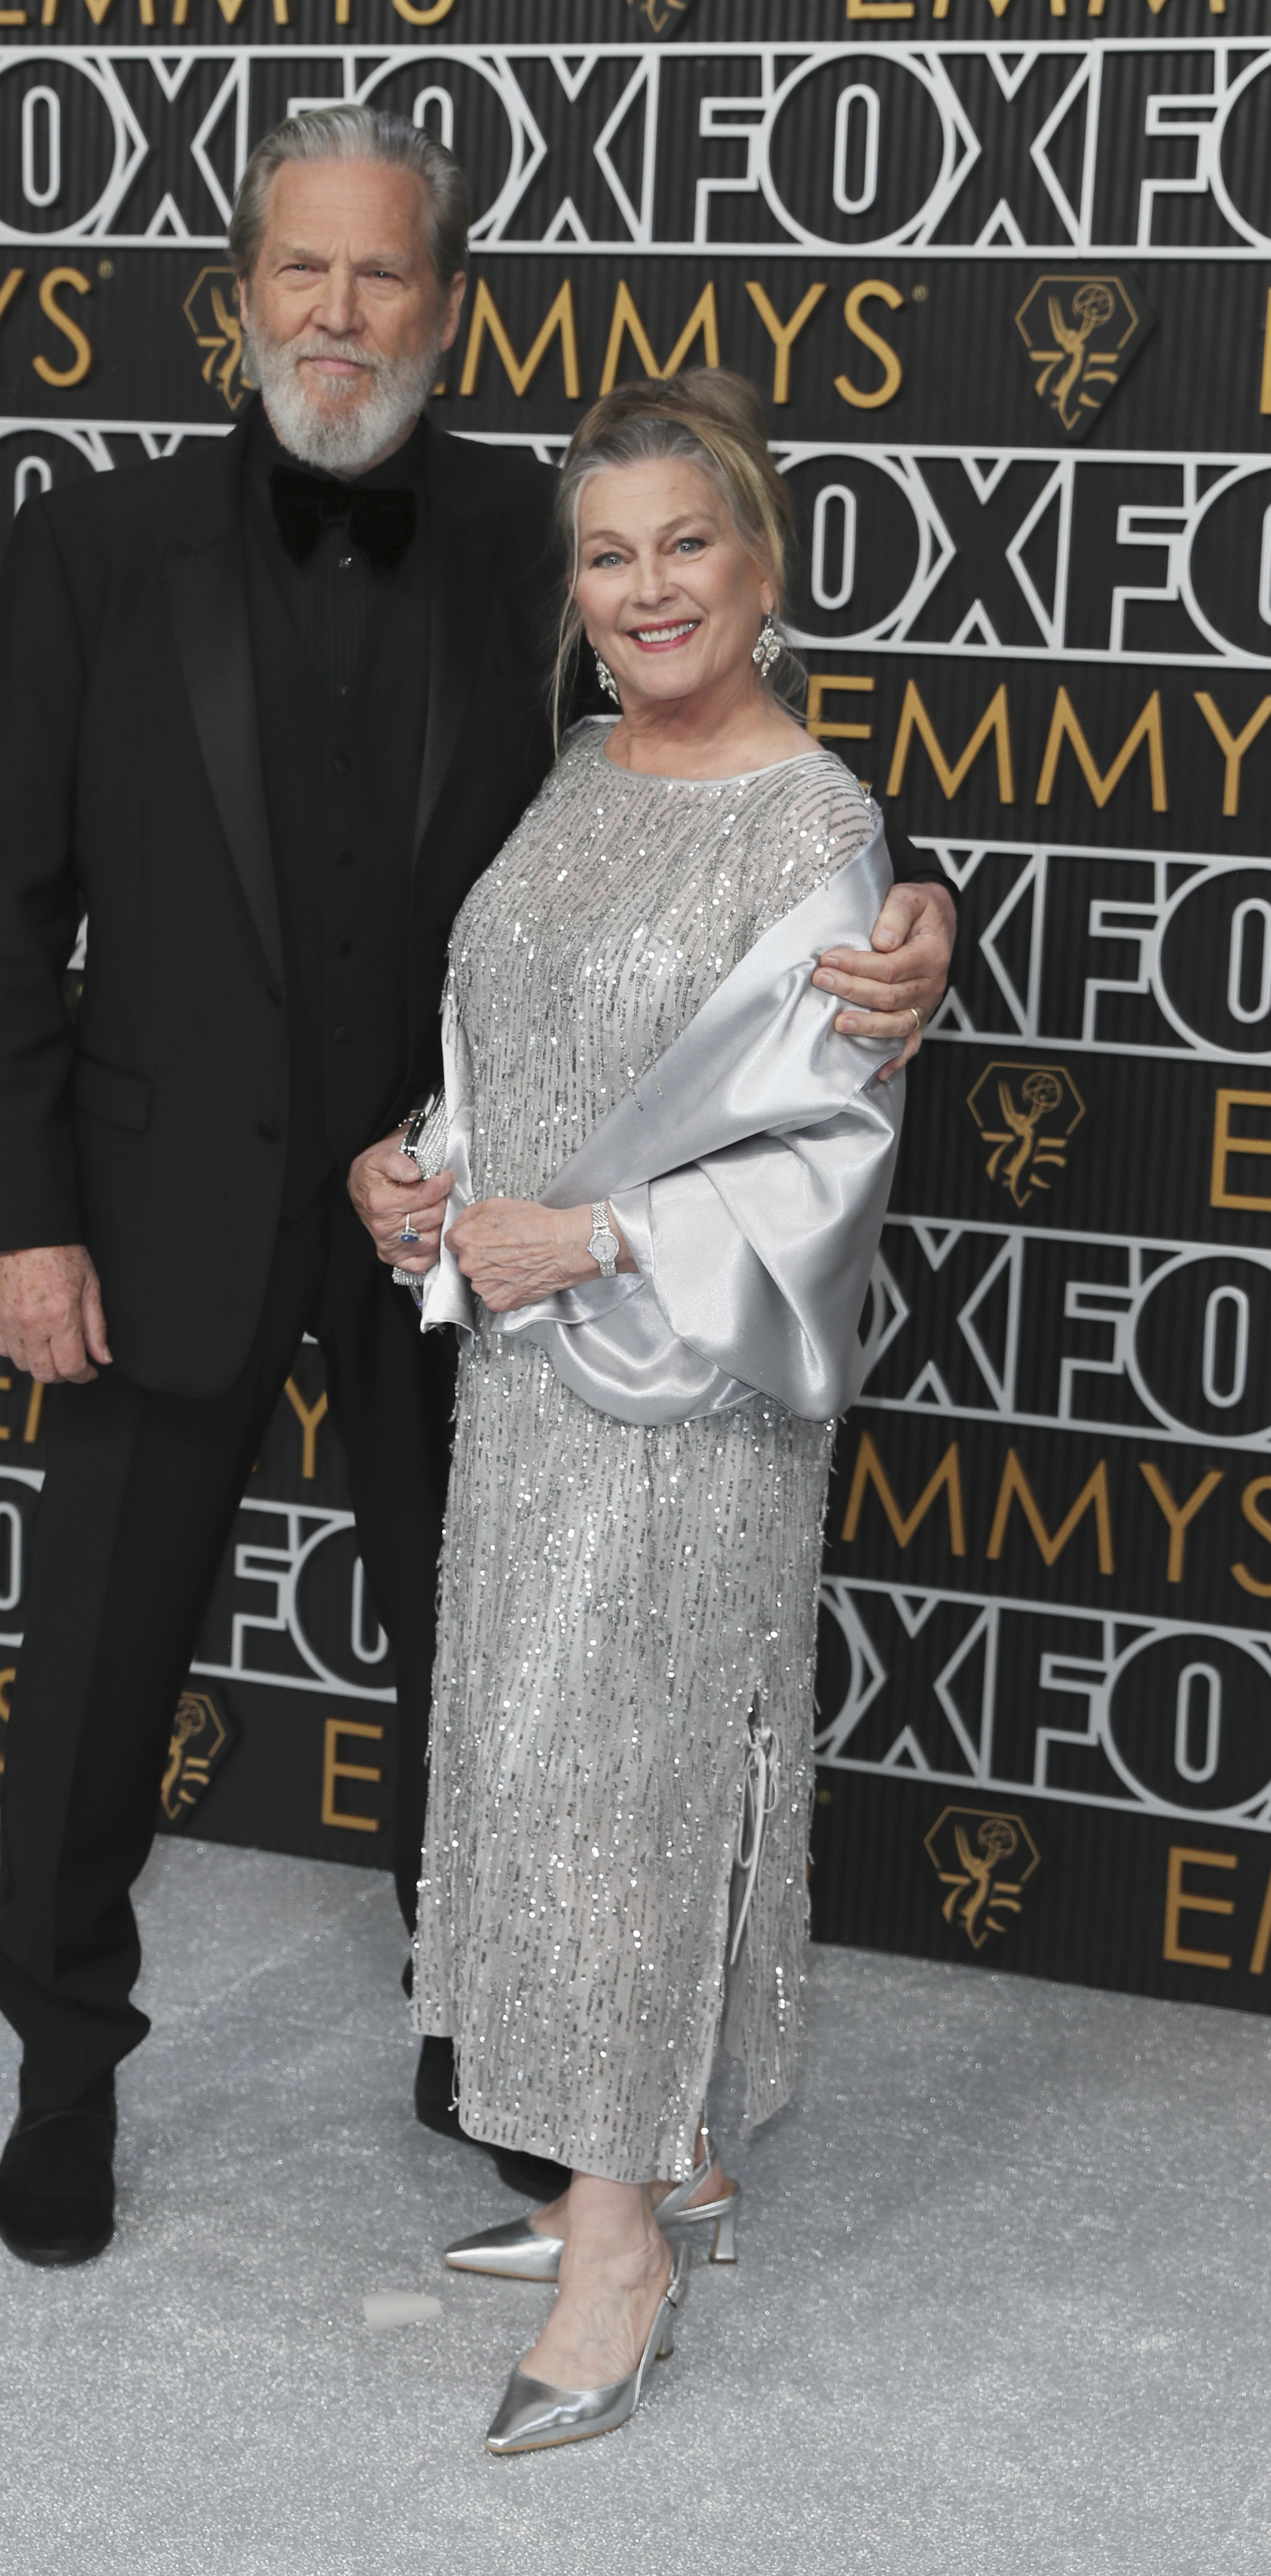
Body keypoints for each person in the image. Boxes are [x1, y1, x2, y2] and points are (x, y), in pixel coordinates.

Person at [0, 103, 955, 2269]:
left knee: (482, 1657)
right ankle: (60, 2074)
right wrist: (21, 1210)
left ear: (449, 306)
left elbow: (725, 724)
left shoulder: (534, 531)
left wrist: (918, 889)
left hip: (456, 1216)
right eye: (298, 273)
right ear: (240, 301)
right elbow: (8, 909)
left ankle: (479, 2039)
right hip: (150, 1216)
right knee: (96, 1677)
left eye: (380, 275)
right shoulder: (90, 545)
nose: (337, 315)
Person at [403, 371, 907, 2453]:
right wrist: (422, 1171)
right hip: (531, 1385)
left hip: (690, 1396)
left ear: (761, 562)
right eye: (608, 558)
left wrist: (587, 1247)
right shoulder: (579, 767)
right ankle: (663, 2154)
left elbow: (819, 1159)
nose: (647, 590)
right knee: (531, 1772)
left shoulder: (821, 824)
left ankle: (619, 2256)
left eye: (685, 544)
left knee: (627, 1784)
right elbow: (521, 1049)